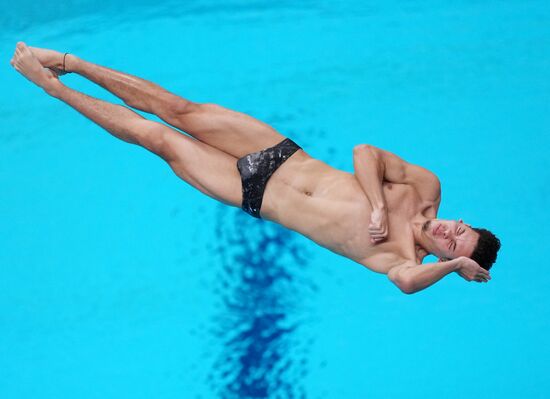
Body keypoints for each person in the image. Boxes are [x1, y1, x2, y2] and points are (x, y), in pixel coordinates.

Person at [10, 42, 501, 294]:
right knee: (178, 110)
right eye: (462, 227)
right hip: (280, 154)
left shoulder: (404, 263)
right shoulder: (424, 188)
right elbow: (364, 152)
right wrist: (376, 204)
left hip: (252, 195)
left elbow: (405, 286)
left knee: (156, 138)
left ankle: (54, 88)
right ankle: (71, 62)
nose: (451, 229)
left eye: (454, 242)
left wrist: (459, 266)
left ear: (445, 259)